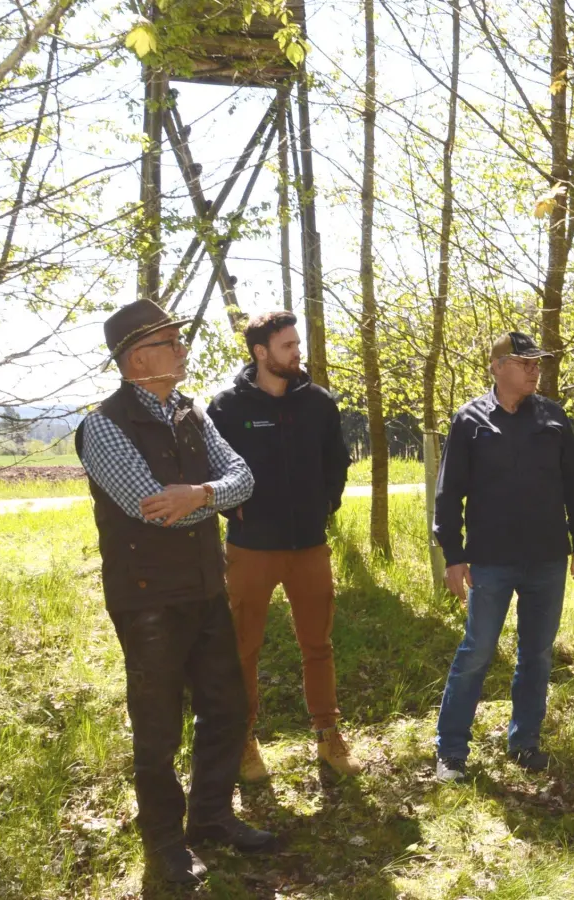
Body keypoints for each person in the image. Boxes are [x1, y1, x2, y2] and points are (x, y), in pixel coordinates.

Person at [75, 300, 278, 887]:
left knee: (227, 708)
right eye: (172, 342)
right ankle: (164, 842)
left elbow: (243, 478)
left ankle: (211, 818)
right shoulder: (104, 426)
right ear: (139, 357)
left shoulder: (190, 412)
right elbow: (154, 509)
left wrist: (200, 492)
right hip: (147, 602)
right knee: (158, 726)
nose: (183, 349)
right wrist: (206, 498)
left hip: (206, 588)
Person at [430, 331, 574, 783]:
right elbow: (449, 496)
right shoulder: (470, 421)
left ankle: (524, 743)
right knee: (477, 650)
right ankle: (451, 751)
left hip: (547, 557)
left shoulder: (553, 419)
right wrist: (453, 556)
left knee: (537, 654)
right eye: (524, 362)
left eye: (537, 362)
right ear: (497, 366)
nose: (533, 369)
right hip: (490, 559)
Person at [208, 310, 359, 781]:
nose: (298, 353)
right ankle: (244, 741)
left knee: (318, 643)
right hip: (251, 549)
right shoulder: (227, 408)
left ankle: (327, 735)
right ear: (261, 352)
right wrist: (233, 512)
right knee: (243, 648)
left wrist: (325, 505)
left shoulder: (317, 402)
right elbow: (210, 471)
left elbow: (337, 461)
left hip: (309, 546)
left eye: (297, 344)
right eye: (288, 346)